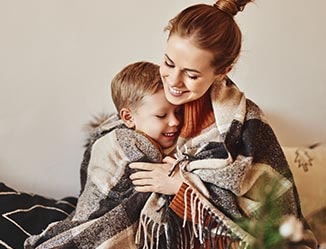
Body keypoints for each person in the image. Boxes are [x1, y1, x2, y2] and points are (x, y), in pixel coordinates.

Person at [129, 1, 318, 249]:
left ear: (222, 71)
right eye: (168, 62)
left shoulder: (248, 127)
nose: (173, 80)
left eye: (192, 74)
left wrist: (182, 188)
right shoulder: (149, 100)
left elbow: (268, 217)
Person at [24, 61, 183, 248]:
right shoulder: (126, 148)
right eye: (161, 116)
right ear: (128, 118)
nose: (175, 122)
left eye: (179, 112)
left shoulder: (161, 136)